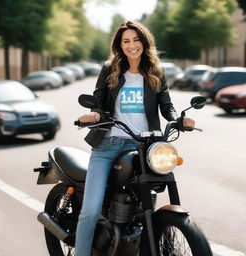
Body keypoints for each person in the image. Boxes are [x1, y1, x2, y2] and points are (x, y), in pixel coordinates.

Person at [75, 20, 195, 256]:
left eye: (136, 40)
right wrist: (94, 114)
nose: (132, 45)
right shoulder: (110, 69)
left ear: (144, 42)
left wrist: (179, 119)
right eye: (126, 41)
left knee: (143, 202)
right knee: (90, 209)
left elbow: (166, 106)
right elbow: (98, 101)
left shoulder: (155, 72)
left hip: (144, 146)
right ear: (120, 45)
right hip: (108, 145)